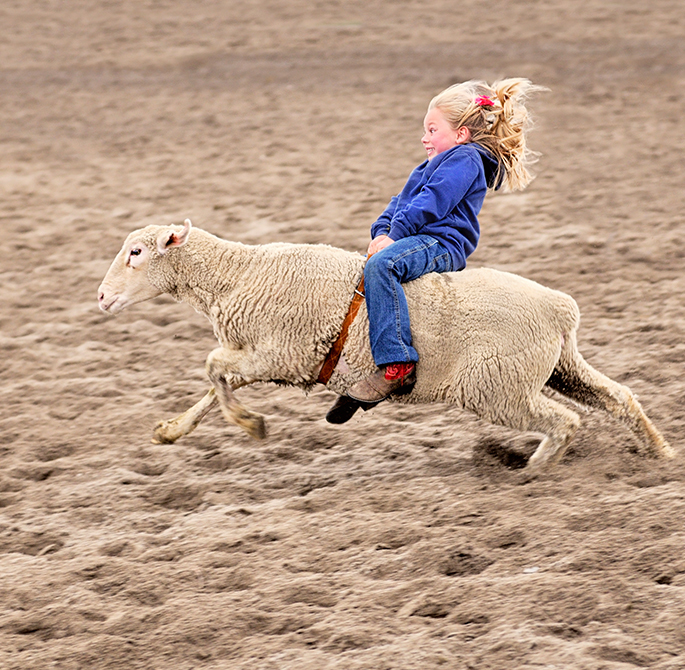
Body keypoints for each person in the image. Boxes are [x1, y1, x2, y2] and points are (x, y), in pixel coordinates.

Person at [326, 78, 544, 424]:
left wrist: (395, 235)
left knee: (383, 267)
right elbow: (398, 203)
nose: (424, 137)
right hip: (416, 237)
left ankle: (396, 364)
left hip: (442, 242)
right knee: (372, 262)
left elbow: (434, 202)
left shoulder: (467, 159)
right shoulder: (428, 165)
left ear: (460, 134)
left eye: (432, 129)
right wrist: (382, 230)